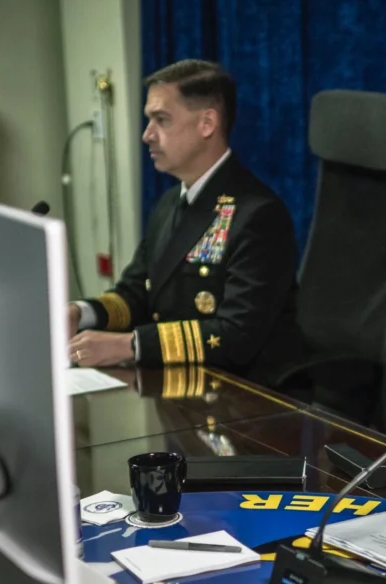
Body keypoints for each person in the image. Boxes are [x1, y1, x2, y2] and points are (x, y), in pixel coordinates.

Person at [67, 59, 301, 384]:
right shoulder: (168, 203)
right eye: (148, 120)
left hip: (245, 395)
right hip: (180, 384)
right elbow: (137, 292)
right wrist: (81, 313)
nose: (147, 135)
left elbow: (237, 336)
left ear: (207, 124)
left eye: (161, 120)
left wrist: (128, 345)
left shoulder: (257, 214)